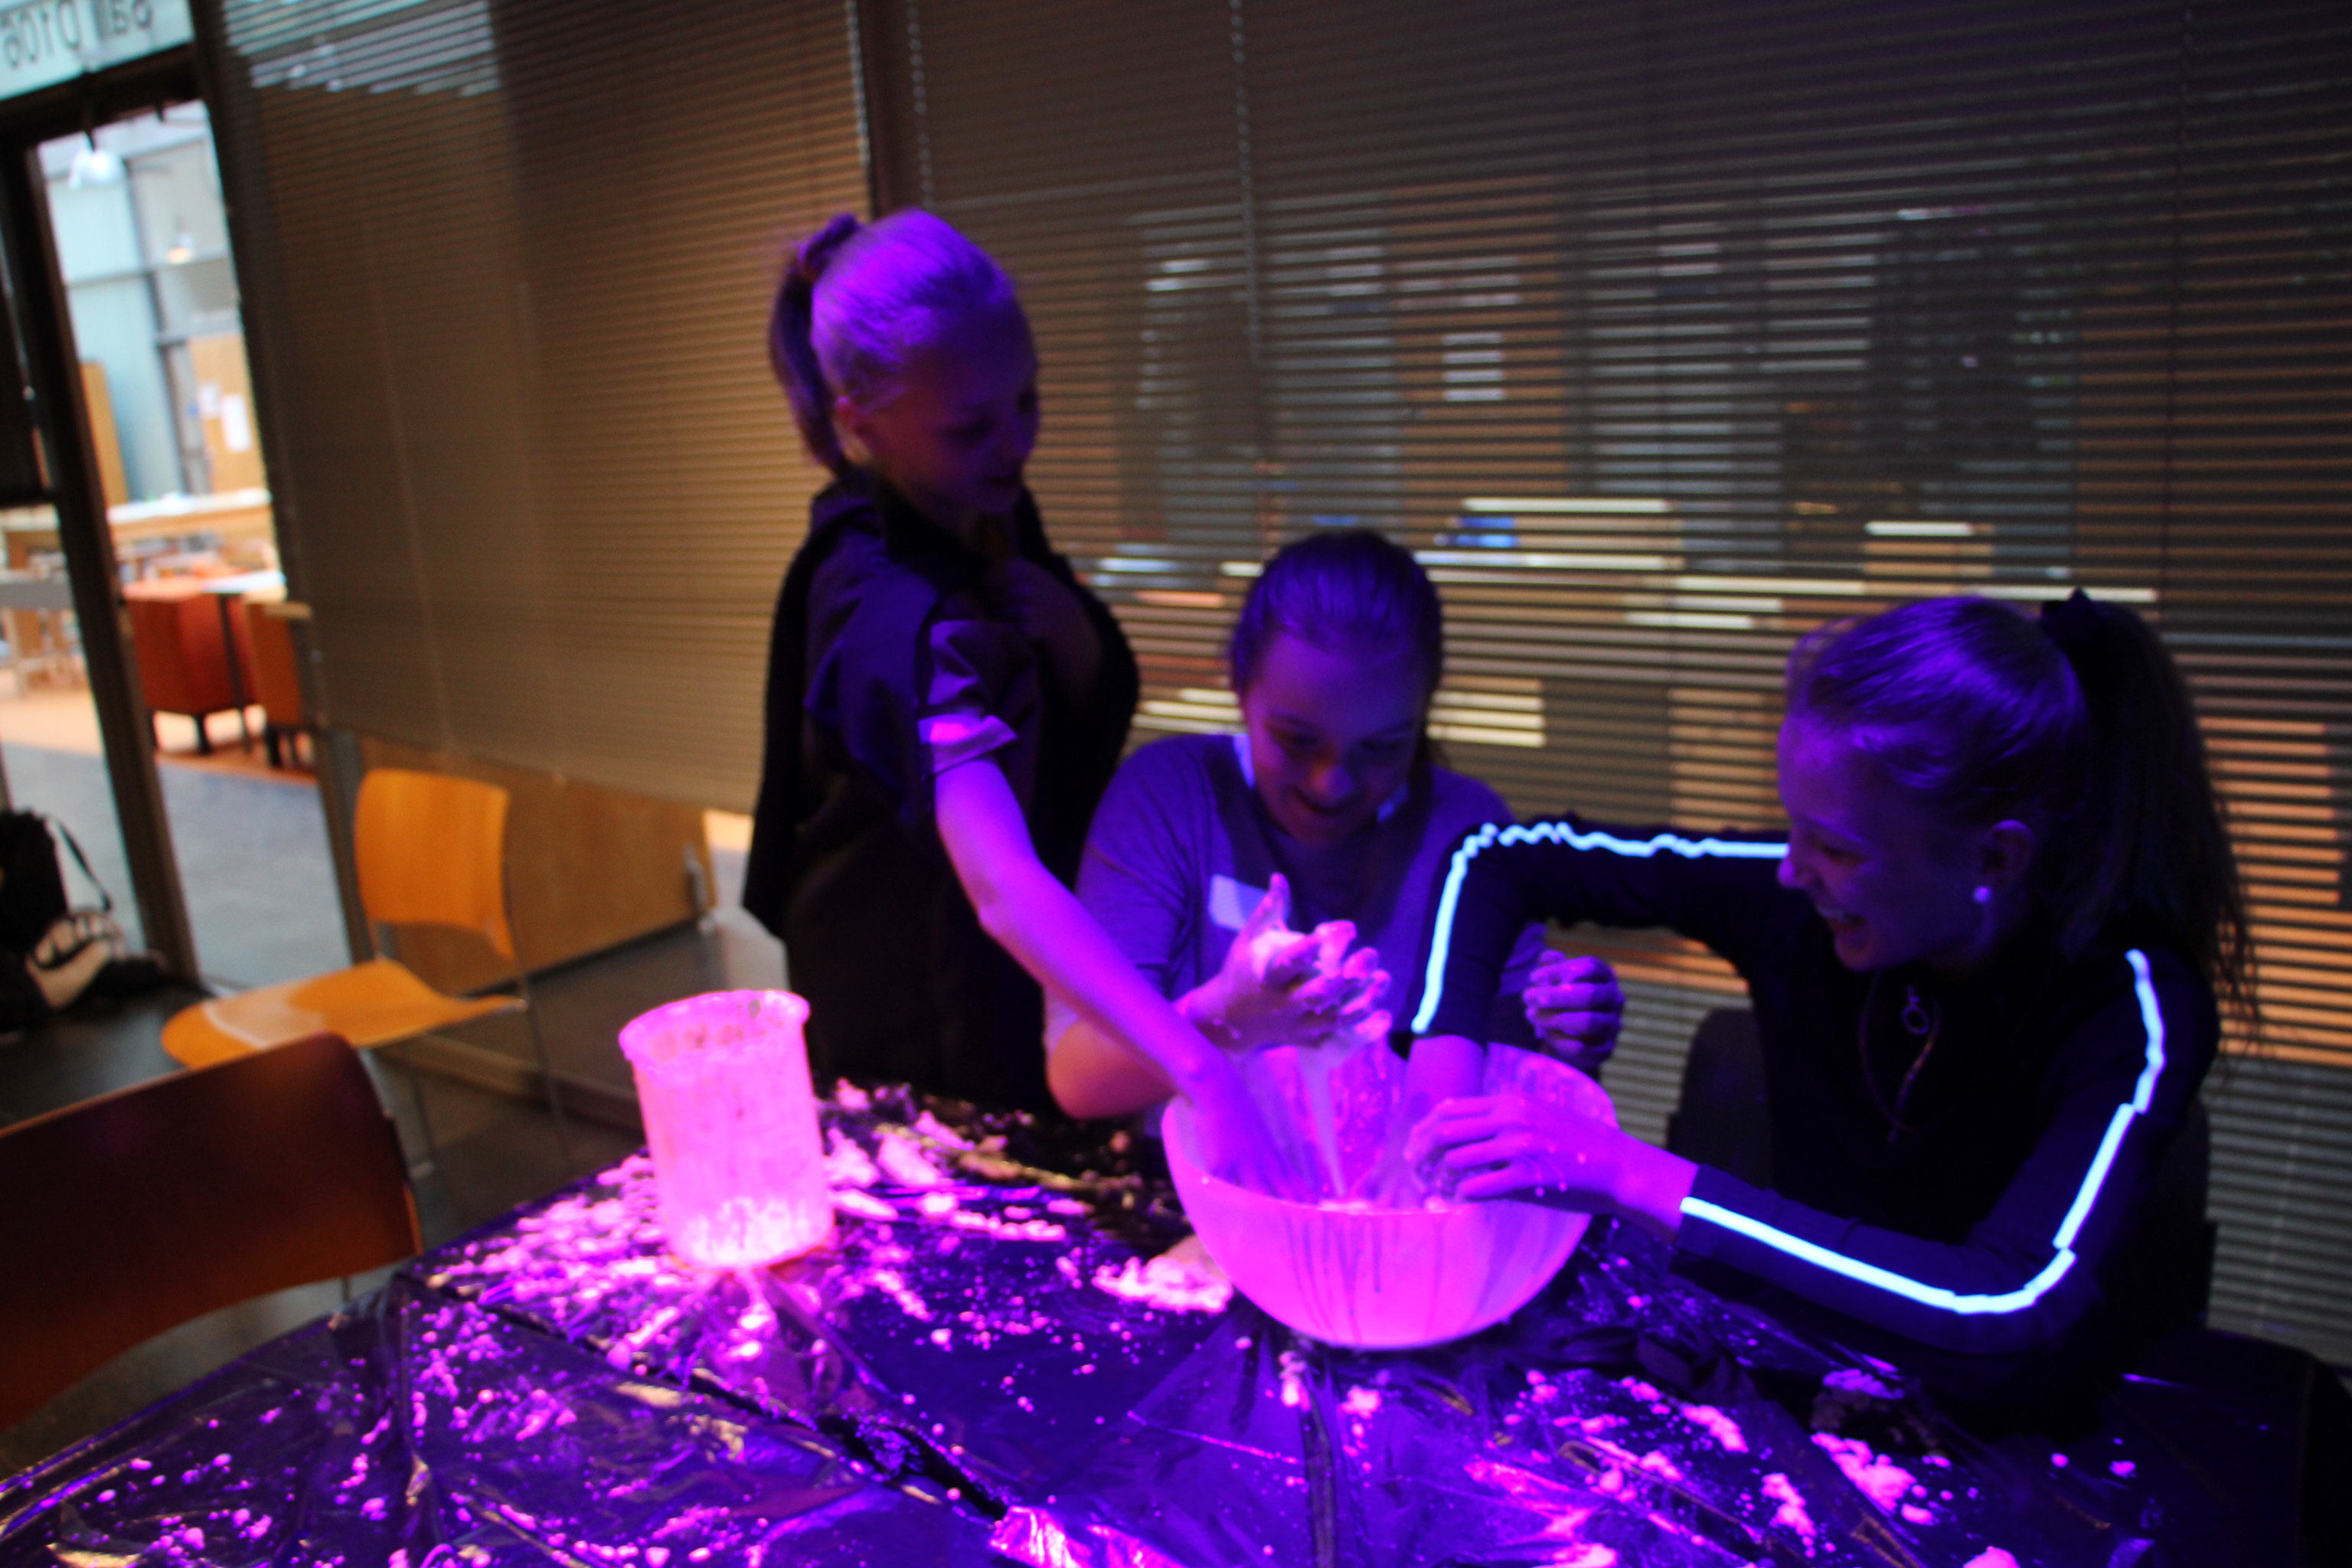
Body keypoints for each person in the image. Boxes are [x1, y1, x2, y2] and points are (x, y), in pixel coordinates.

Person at [1410, 593, 2242, 1413]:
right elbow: (1500, 856)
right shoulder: (1801, 889)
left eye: (1836, 846)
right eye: (1793, 826)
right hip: (1811, 1373)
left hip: (2016, 1439)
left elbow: (2005, 1310)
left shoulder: (2130, 1007)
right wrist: (1444, 1065)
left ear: (1994, 857)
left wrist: (1628, 1171)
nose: (1788, 868)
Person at [742, 211, 1281, 1178]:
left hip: (1011, 970)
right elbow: (998, 885)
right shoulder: (885, 603)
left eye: (1026, 401)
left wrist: (1076, 637)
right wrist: (1198, 1065)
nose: (1013, 443)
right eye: (971, 426)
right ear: (858, 419)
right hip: (917, 991)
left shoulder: (981, 500)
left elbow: (1070, 692)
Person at [1048, 528, 1625, 1122]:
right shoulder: (1171, 797)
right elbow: (1079, 1078)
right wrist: (1229, 1015)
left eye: (1381, 749)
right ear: (1239, 687)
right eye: (1297, 741)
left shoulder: (1469, 832)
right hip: (1194, 1196)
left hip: (1401, 1206)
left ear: (1422, 716)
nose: (1332, 784)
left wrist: (1569, 1037)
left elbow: (1505, 1086)